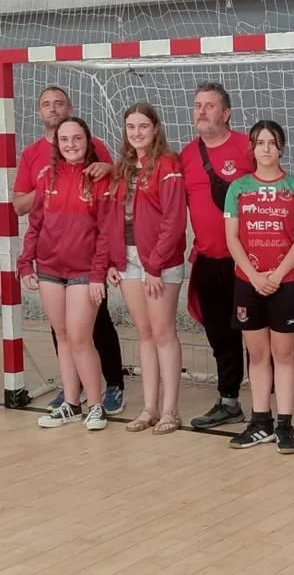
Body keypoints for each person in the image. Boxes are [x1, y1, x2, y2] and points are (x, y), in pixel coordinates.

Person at [12, 86, 125, 414]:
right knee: (63, 334)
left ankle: (107, 391)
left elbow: (110, 213)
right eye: (46, 104)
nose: (53, 108)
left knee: (88, 331)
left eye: (59, 103)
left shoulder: (96, 158)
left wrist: (102, 268)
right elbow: (29, 215)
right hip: (51, 267)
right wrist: (25, 262)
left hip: (86, 268)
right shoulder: (39, 165)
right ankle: (71, 397)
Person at [96, 103, 187, 434]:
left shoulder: (168, 164)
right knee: (145, 333)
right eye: (131, 127)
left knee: (163, 333)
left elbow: (174, 220)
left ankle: (170, 410)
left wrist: (155, 265)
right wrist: (112, 260)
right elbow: (111, 219)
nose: (136, 133)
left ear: (155, 129)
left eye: (143, 126)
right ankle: (149, 408)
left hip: (159, 263)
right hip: (129, 261)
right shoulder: (122, 168)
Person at [223, 120, 294, 453]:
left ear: (281, 148)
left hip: (286, 283)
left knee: (283, 355)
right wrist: (254, 275)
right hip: (248, 282)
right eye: (259, 142)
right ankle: (261, 422)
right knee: (258, 355)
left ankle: (285, 425)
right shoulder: (238, 188)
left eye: (271, 143)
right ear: (252, 148)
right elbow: (232, 238)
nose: (265, 148)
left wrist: (277, 275)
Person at [181, 82, 254, 429]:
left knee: (257, 336)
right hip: (208, 261)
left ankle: (270, 409)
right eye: (198, 105)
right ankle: (229, 402)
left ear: (226, 113)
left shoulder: (247, 147)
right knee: (220, 336)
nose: (202, 111)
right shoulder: (186, 155)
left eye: (209, 106)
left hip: (247, 262)